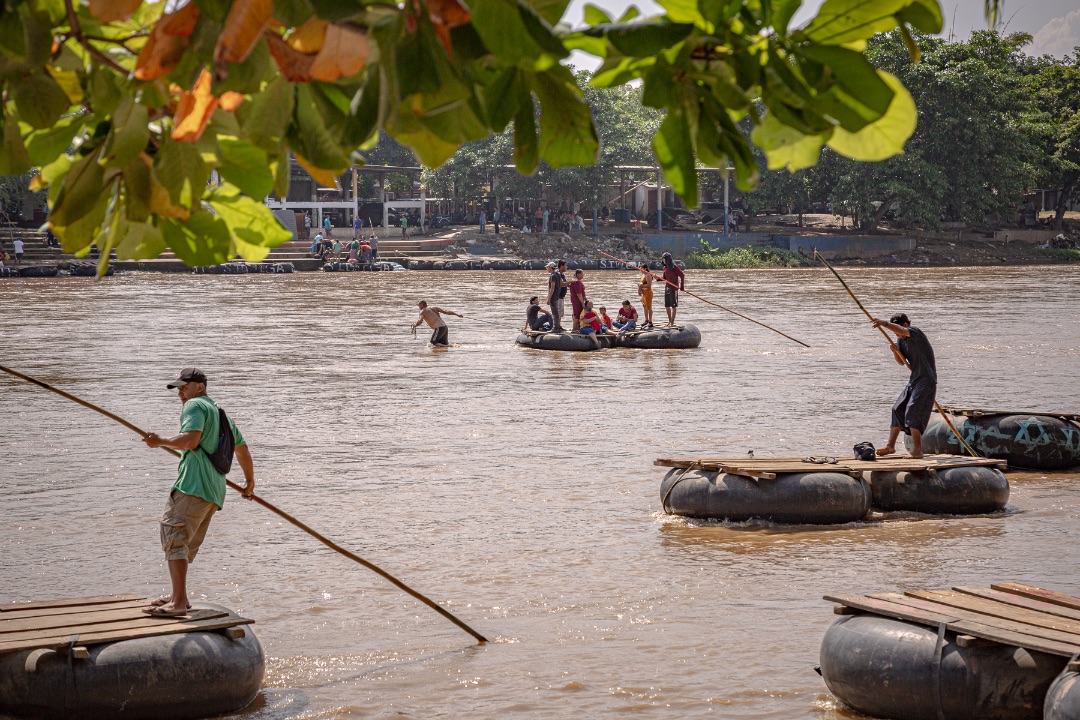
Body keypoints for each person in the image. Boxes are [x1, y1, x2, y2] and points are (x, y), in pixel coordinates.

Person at [141, 368, 256, 616]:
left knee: (174, 538)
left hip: (192, 486)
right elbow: (242, 448)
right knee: (184, 544)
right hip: (213, 492)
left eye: (185, 386)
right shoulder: (220, 413)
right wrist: (249, 482)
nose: (181, 392)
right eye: (178, 388)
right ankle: (176, 595)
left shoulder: (194, 406)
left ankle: (179, 602)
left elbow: (191, 440)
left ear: (200, 387)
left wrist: (159, 441)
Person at [872, 314, 937, 459]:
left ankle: (917, 451)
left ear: (906, 324)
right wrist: (896, 352)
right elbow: (901, 362)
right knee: (897, 408)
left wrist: (884, 324)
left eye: (898, 328)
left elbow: (901, 330)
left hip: (926, 380)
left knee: (913, 409)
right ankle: (890, 446)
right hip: (914, 380)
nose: (896, 333)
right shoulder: (901, 340)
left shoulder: (915, 332)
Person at [661, 252, 685, 326]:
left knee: (673, 306)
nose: (662, 260)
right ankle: (669, 321)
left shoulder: (674, 267)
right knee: (667, 306)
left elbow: (682, 275)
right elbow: (664, 278)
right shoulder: (665, 268)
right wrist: (657, 278)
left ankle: (672, 322)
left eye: (664, 259)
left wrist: (682, 286)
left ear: (667, 259)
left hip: (673, 288)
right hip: (667, 288)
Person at [546, 260, 567, 333]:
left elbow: (552, 287)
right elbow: (562, 283)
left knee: (555, 313)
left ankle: (556, 328)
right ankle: (558, 326)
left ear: (550, 267)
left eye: (547, 268)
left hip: (553, 297)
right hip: (557, 296)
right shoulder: (558, 274)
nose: (547, 269)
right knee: (557, 313)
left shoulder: (553, 276)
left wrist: (549, 298)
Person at [638, 262, 654, 328]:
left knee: (649, 307)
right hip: (643, 293)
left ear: (645, 268)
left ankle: (650, 321)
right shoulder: (643, 275)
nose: (640, 270)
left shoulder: (648, 275)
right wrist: (639, 288)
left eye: (642, 269)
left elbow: (649, 285)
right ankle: (646, 320)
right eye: (640, 269)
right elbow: (641, 284)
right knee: (644, 307)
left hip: (648, 293)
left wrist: (642, 286)